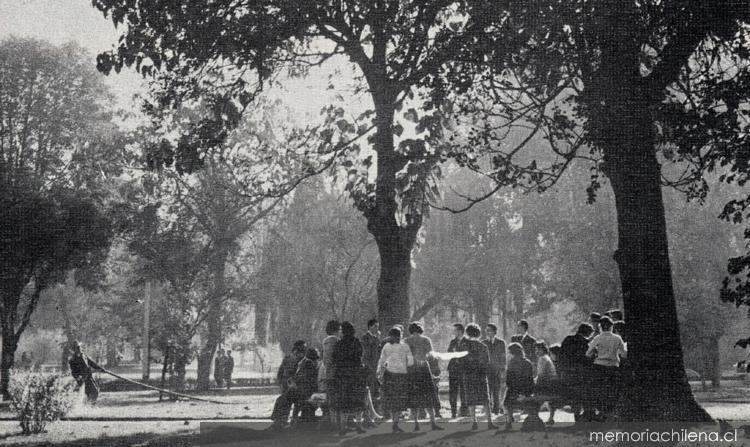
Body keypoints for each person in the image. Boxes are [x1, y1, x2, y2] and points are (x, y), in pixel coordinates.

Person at [586, 316, 627, 418]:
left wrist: (596, 352)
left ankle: (602, 412)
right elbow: (624, 355)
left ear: (600, 327)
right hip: (613, 367)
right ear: (611, 326)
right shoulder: (617, 338)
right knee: (612, 390)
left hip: (599, 367)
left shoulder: (597, 338)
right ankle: (610, 413)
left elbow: (588, 353)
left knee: (600, 390)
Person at [405, 322, 442, 432]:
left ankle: (416, 424)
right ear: (420, 329)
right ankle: (433, 423)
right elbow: (431, 356)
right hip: (424, 370)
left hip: (412, 371)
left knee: (414, 397)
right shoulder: (426, 340)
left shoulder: (406, 341)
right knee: (428, 396)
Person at [331, 321, 367, 435]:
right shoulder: (357, 342)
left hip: (342, 376)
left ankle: (343, 427)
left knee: (344, 402)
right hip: (355, 375)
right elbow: (360, 357)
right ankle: (359, 426)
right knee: (357, 402)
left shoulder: (339, 344)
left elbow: (334, 359)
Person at [271, 348, 320, 429]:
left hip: (306, 391)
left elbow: (307, 380)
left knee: (284, 398)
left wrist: (295, 384)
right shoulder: (307, 364)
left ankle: (279, 421)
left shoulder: (308, 364)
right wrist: (294, 382)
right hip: (304, 390)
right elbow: (302, 378)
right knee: (284, 397)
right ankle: (280, 420)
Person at [377, 327, 414, 433]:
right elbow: (410, 362)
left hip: (390, 375)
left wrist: (379, 372)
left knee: (392, 399)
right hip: (402, 375)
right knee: (399, 399)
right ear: (400, 335)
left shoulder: (387, 346)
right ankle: (395, 423)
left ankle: (394, 422)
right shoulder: (405, 346)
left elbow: (382, 361)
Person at [462, 323, 498, 430]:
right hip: (481, 376)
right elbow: (487, 362)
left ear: (467, 333)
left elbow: (461, 362)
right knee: (485, 400)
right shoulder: (483, 346)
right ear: (478, 333)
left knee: (471, 399)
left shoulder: (464, 346)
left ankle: (474, 422)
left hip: (468, 375)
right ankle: (489, 422)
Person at [560, 323, 595, 422]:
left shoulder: (567, 339)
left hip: (568, 374)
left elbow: (561, 356)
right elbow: (589, 359)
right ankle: (586, 417)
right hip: (582, 375)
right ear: (588, 333)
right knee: (584, 396)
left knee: (575, 398)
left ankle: (576, 417)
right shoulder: (586, 343)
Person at [502, 342, 534, 431]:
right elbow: (530, 379)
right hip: (526, 390)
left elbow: (509, 380)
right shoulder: (528, 362)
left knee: (506, 403)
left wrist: (513, 389)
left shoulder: (511, 363)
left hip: (514, 390)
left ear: (512, 353)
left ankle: (509, 422)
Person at [482, 323, 507, 416]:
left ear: (494, 332)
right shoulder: (483, 343)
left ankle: (496, 409)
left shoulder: (501, 343)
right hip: (487, 370)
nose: (487, 332)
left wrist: (502, 369)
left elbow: (503, 357)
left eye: (489, 330)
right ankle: (488, 409)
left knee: (496, 390)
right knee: (487, 390)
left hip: (497, 370)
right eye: (486, 330)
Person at [534, 341, 559, 425]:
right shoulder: (546, 357)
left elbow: (541, 375)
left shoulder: (543, 359)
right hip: (552, 384)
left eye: (538, 349)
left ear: (543, 350)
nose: (536, 352)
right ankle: (550, 418)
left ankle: (534, 418)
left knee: (532, 397)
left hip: (548, 385)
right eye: (535, 349)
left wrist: (534, 384)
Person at [360, 318, 382, 416]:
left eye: (378, 327)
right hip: (368, 368)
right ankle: (368, 415)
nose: (377, 329)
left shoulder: (377, 337)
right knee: (369, 391)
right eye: (375, 327)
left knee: (375, 391)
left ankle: (374, 414)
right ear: (369, 327)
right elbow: (366, 353)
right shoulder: (365, 337)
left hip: (376, 366)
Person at [447, 323, 468, 418]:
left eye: (455, 330)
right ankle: (453, 412)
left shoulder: (467, 342)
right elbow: (448, 353)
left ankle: (464, 411)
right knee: (453, 391)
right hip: (453, 369)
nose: (453, 332)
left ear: (460, 331)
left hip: (464, 369)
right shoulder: (452, 342)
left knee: (464, 391)